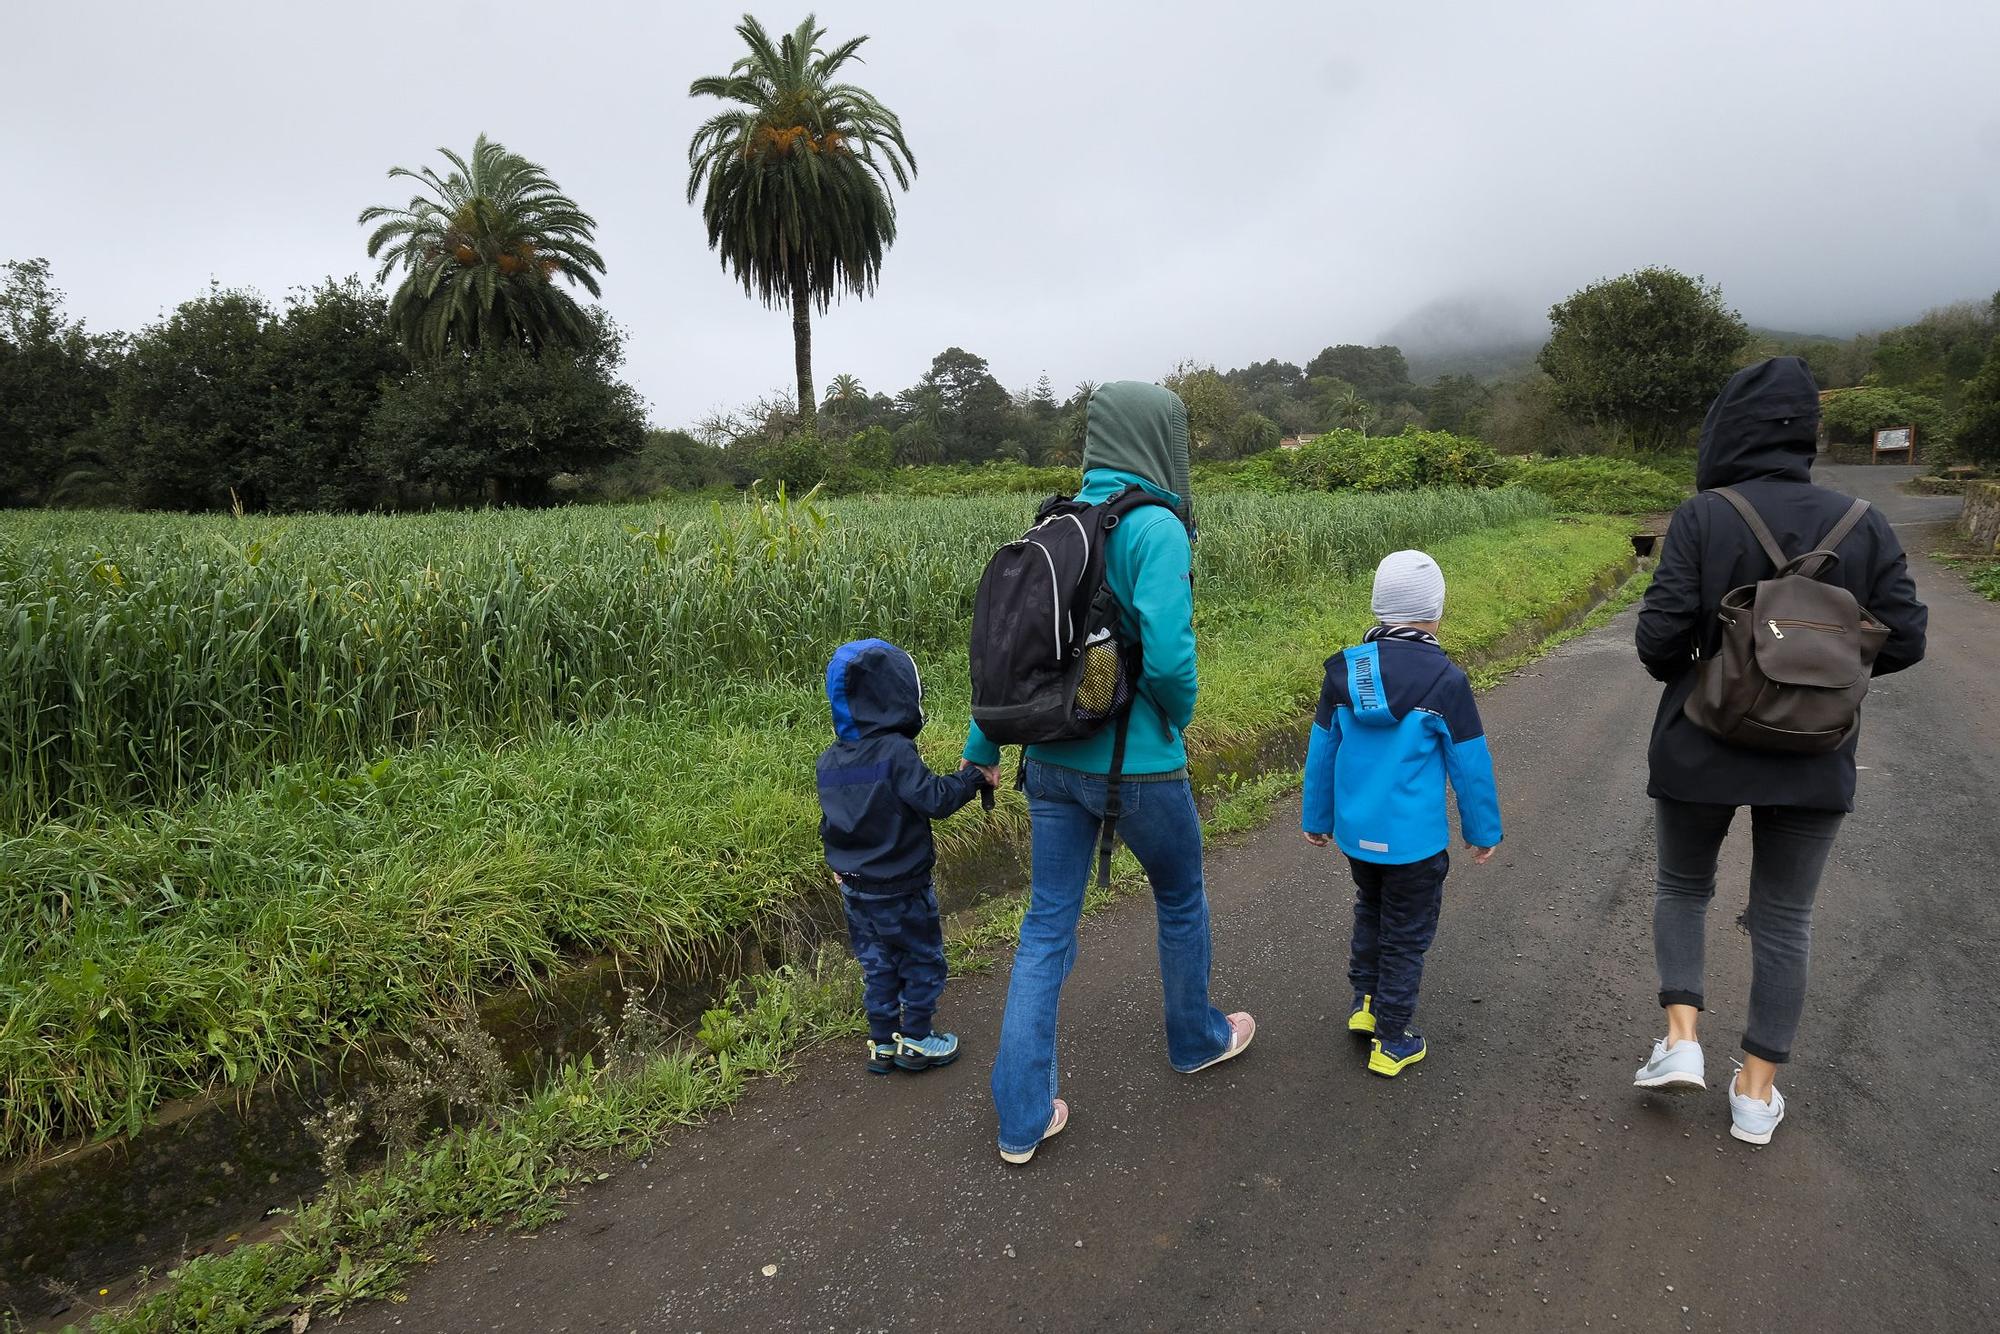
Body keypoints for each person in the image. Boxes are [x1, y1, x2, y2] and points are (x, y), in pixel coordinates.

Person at [1632, 356, 1927, 1143]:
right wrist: (1825, 675)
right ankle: (1756, 1097)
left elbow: (1658, 640)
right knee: (1786, 919)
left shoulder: (1704, 515)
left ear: (1727, 427)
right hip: (1815, 753)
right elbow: (1908, 637)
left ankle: (1682, 1041)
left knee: (1684, 888)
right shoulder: (1862, 520)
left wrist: (1709, 670)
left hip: (1701, 743)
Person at [963, 381, 1252, 1165]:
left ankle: (1022, 1117)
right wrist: (1179, 715)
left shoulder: (1053, 522)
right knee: (1181, 898)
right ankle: (1195, 1039)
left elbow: (1008, 656)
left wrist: (982, 749)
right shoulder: (1156, 526)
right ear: (1161, 440)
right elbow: (1167, 653)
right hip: (1141, 769)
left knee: (1046, 925)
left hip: (1048, 765)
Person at [1299, 550, 1504, 1077]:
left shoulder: (1345, 670)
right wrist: (1482, 830)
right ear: (1435, 612)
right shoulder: (1444, 679)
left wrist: (1316, 817)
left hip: (1356, 834)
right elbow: (1470, 763)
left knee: (1371, 908)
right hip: (1414, 843)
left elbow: (1322, 749)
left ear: (1378, 607)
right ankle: (1392, 1039)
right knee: (1407, 934)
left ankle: (1364, 1007)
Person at [818, 638, 992, 1075]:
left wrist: (837, 865)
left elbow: (831, 824)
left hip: (855, 888)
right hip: (902, 887)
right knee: (920, 959)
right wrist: (970, 779)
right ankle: (915, 1037)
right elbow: (934, 799)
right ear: (896, 697)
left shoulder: (830, 762)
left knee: (877, 964)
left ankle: (881, 1044)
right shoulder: (895, 753)